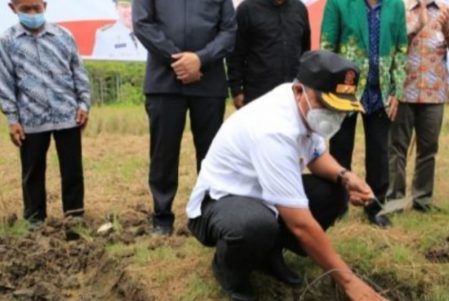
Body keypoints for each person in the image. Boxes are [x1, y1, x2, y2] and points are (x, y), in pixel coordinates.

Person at [187, 50, 387, 301]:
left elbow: (315, 156)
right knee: (256, 225)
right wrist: (349, 282)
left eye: (341, 110)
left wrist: (346, 176)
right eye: (327, 106)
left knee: (334, 191)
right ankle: (228, 270)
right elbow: (300, 224)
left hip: (263, 194)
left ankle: (269, 254)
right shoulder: (274, 130)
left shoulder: (301, 103)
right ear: (299, 91)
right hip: (221, 200)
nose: (333, 116)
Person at [132, 0, 236, 235]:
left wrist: (201, 58)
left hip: (208, 81)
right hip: (164, 82)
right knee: (163, 152)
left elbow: (229, 31)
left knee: (212, 154)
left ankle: (210, 215)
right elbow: (142, 24)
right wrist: (178, 60)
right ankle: (162, 217)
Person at [0, 0, 90, 228]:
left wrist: (83, 104)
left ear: (45, 6)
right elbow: (5, 83)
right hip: (31, 118)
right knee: (32, 171)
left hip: (67, 114)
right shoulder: (7, 41)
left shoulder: (63, 36)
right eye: (25, 9)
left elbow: (78, 71)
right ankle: (34, 221)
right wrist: (12, 119)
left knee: (72, 169)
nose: (32, 13)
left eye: (36, 8)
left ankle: (75, 217)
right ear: (13, 9)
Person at [321, 0, 408, 227]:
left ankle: (375, 207)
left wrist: (396, 90)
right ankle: (337, 206)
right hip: (345, 91)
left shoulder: (396, 6)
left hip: (380, 91)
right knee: (340, 148)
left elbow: (401, 49)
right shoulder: (338, 3)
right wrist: (328, 87)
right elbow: (327, 47)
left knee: (379, 152)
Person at [387, 0, 449, 212]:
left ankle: (422, 200)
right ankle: (394, 200)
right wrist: (418, 25)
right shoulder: (397, 8)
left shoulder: (448, 11)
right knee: (397, 148)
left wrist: (447, 31)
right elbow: (389, 43)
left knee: (429, 149)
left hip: (434, 92)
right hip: (402, 90)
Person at [227, 0, 311, 108]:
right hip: (258, 95)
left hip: (293, 94)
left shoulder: (300, 9)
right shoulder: (247, 9)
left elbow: (305, 52)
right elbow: (235, 53)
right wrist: (236, 90)